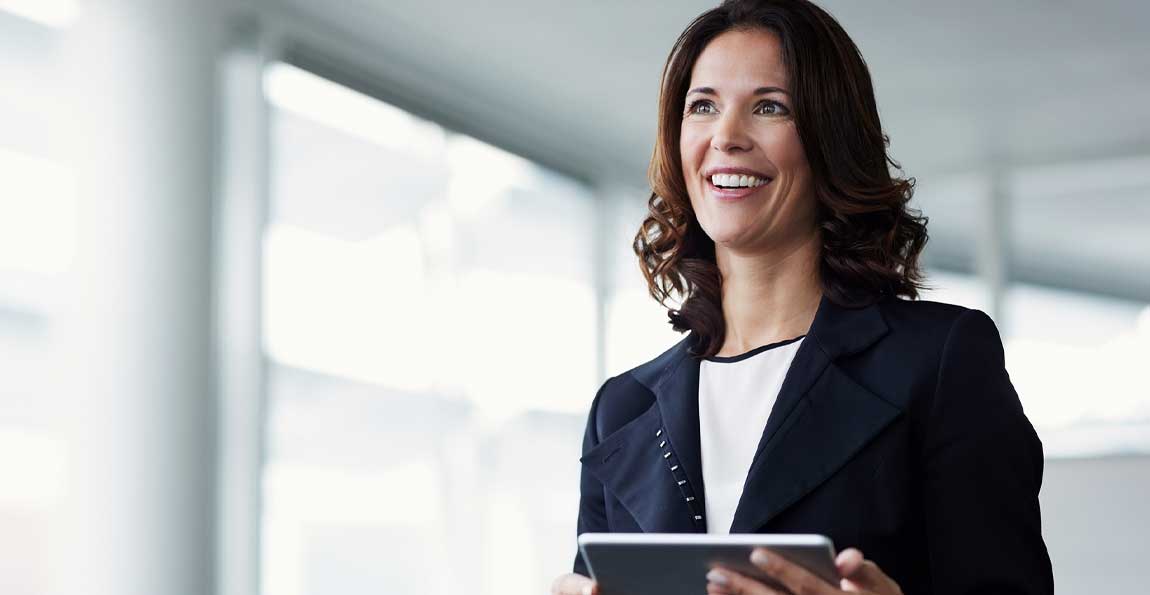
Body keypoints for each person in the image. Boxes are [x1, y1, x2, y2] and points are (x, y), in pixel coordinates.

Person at [551, 1, 1054, 594]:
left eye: (770, 107)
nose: (726, 137)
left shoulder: (939, 361)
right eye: (703, 106)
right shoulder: (623, 408)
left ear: (829, 139)